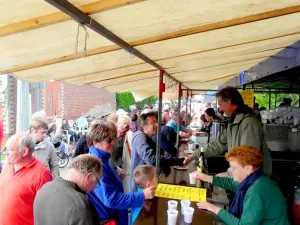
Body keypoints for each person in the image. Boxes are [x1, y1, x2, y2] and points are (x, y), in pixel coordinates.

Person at [184, 87, 272, 176]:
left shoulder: (249, 123)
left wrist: (228, 176)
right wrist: (194, 155)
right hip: (240, 177)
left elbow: (248, 161)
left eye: (220, 105)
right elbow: (217, 145)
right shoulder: (233, 122)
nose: (220, 109)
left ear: (229, 103)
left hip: (252, 182)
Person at [195, 146, 290, 225]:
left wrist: (214, 208)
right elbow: (231, 184)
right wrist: (205, 177)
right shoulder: (256, 179)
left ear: (248, 168)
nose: (230, 170)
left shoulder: (255, 191)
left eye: (234, 167)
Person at [86, 121, 155, 225]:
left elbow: (103, 187)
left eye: (113, 138)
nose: (113, 143)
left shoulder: (101, 157)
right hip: (110, 218)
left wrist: (115, 178)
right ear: (95, 142)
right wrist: (142, 196)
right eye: (109, 140)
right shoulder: (97, 163)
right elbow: (111, 199)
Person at [0, 133, 52, 225]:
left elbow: (46, 212)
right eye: (5, 149)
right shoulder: (8, 165)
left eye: (10, 150)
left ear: (24, 151)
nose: (5, 153)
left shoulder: (42, 175)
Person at [34, 155, 102, 225]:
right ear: (89, 177)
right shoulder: (81, 206)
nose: (94, 188)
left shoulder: (44, 188)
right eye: (97, 182)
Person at [130, 112, 184, 192]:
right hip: (142, 187)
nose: (156, 125)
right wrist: (176, 161)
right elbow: (152, 159)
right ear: (144, 126)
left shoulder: (145, 136)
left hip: (147, 183)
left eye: (156, 122)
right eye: (153, 123)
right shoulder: (140, 138)